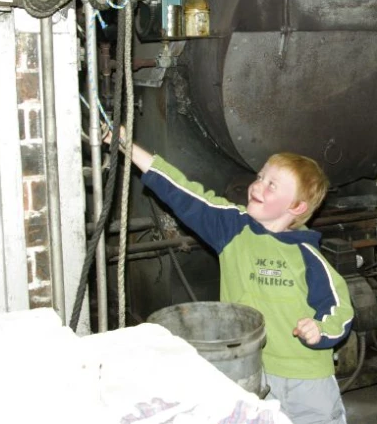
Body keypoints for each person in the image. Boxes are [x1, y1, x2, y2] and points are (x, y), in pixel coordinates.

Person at [106, 130, 354, 424]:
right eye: (260, 176)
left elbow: (340, 308)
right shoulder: (233, 228)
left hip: (307, 380)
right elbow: (184, 192)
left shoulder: (308, 257)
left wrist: (320, 330)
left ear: (296, 207)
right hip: (251, 370)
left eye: (271, 184)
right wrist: (125, 143)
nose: (257, 186)